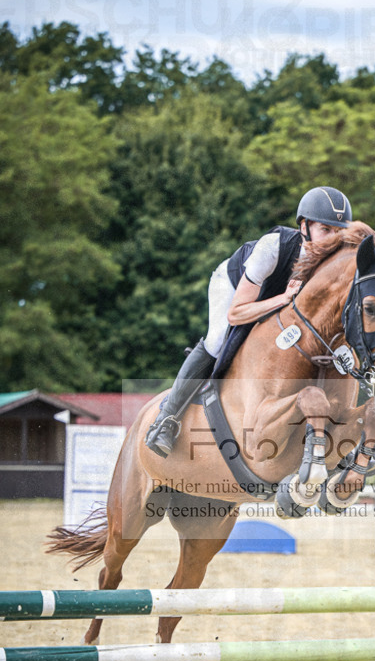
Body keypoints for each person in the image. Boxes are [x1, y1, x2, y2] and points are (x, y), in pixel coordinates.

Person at [145, 185, 353, 457]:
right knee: (219, 340)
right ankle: (167, 418)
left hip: (281, 300)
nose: (332, 241)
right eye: (325, 230)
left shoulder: (333, 264)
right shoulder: (273, 247)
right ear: (304, 226)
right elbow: (237, 313)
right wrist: (283, 299)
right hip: (233, 288)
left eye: (339, 233)